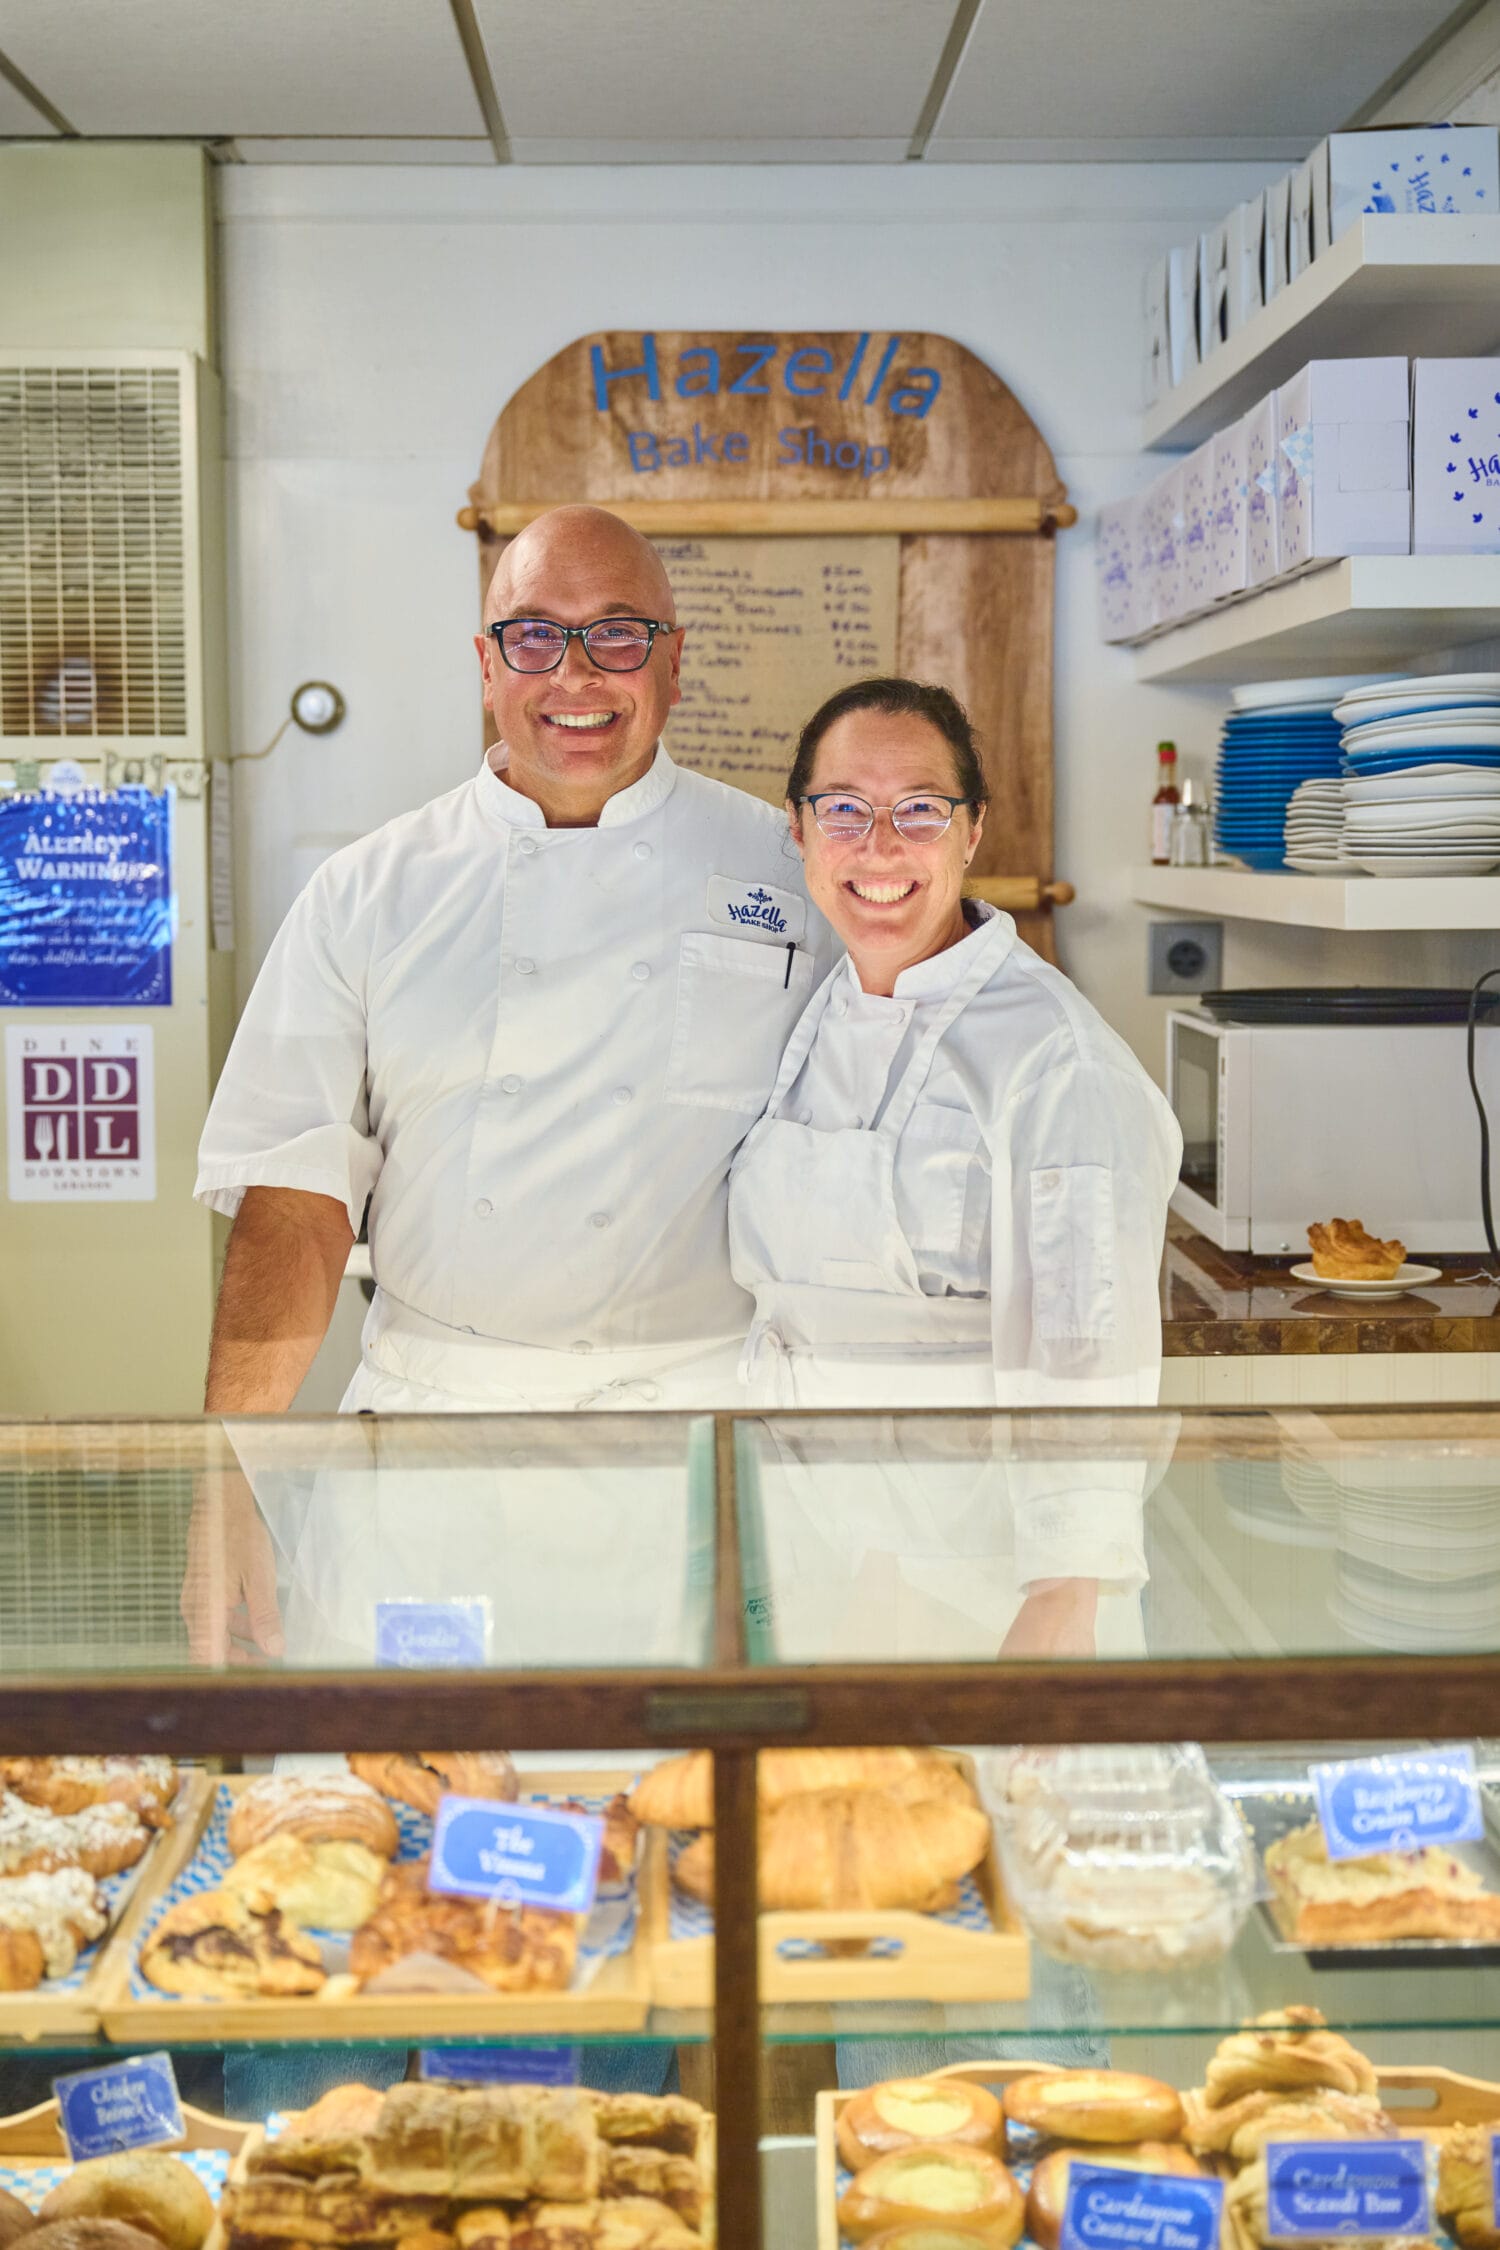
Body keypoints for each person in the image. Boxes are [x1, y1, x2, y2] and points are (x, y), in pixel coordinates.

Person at [195, 502, 832, 1436]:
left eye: (617, 634)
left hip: (703, 1426)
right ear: (488, 666)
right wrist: (227, 1480)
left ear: (674, 662)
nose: (575, 673)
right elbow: (294, 1208)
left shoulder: (794, 874)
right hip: (439, 1422)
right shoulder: (367, 892)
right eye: (535, 636)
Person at [727, 675, 1183, 1660]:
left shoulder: (1054, 1057)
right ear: (798, 832)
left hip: (982, 1564)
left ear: (972, 831)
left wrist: (1064, 1592)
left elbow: (1087, 1340)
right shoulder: (812, 1008)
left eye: (920, 810)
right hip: (814, 1534)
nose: (880, 846)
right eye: (843, 809)